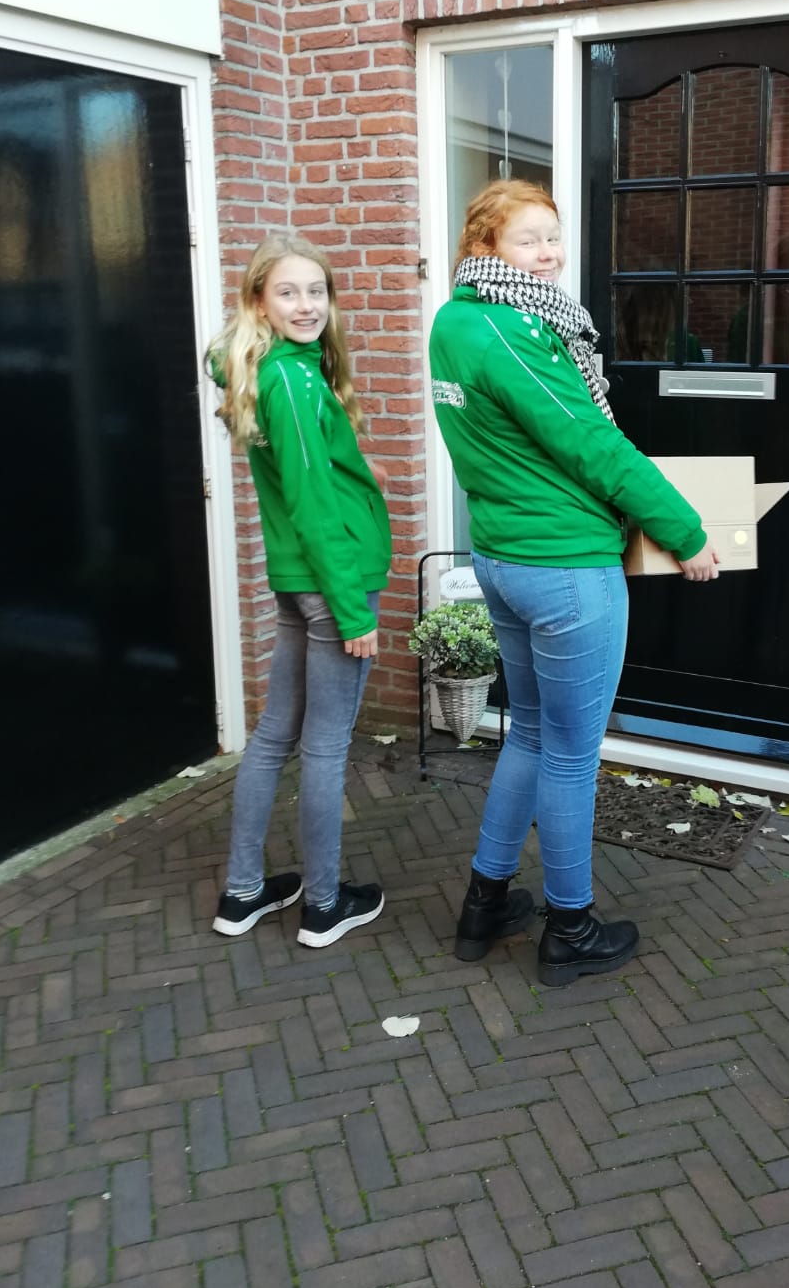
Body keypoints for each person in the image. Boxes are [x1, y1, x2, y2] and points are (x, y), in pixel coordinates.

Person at [429, 180, 721, 987]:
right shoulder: (511, 330)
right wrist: (687, 532)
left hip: (503, 557)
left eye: (553, 236)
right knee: (570, 754)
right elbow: (591, 442)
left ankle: (485, 904)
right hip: (565, 570)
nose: (548, 254)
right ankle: (571, 927)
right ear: (485, 247)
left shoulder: (454, 320)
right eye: (528, 239)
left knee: (529, 734)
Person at [206, 232, 392, 948]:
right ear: (259, 301)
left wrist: (360, 470)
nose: (307, 304)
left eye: (317, 291)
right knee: (324, 746)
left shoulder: (262, 368)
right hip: (329, 583)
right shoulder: (289, 379)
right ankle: (323, 904)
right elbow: (313, 505)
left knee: (274, 735)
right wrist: (351, 611)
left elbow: (310, 472)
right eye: (288, 292)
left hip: (296, 581)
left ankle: (243, 893)